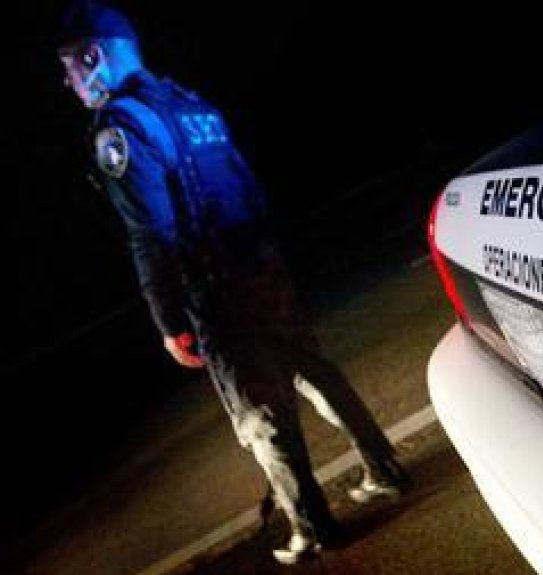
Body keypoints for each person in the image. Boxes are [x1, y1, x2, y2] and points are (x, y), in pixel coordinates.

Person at [56, 1, 408, 564]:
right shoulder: (189, 104)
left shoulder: (120, 125)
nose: (67, 81)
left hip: (217, 287)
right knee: (313, 371)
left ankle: (313, 528)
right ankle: (384, 468)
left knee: (259, 413)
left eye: (70, 65)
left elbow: (151, 231)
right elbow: (247, 184)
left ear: (94, 56)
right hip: (262, 267)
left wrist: (169, 320)